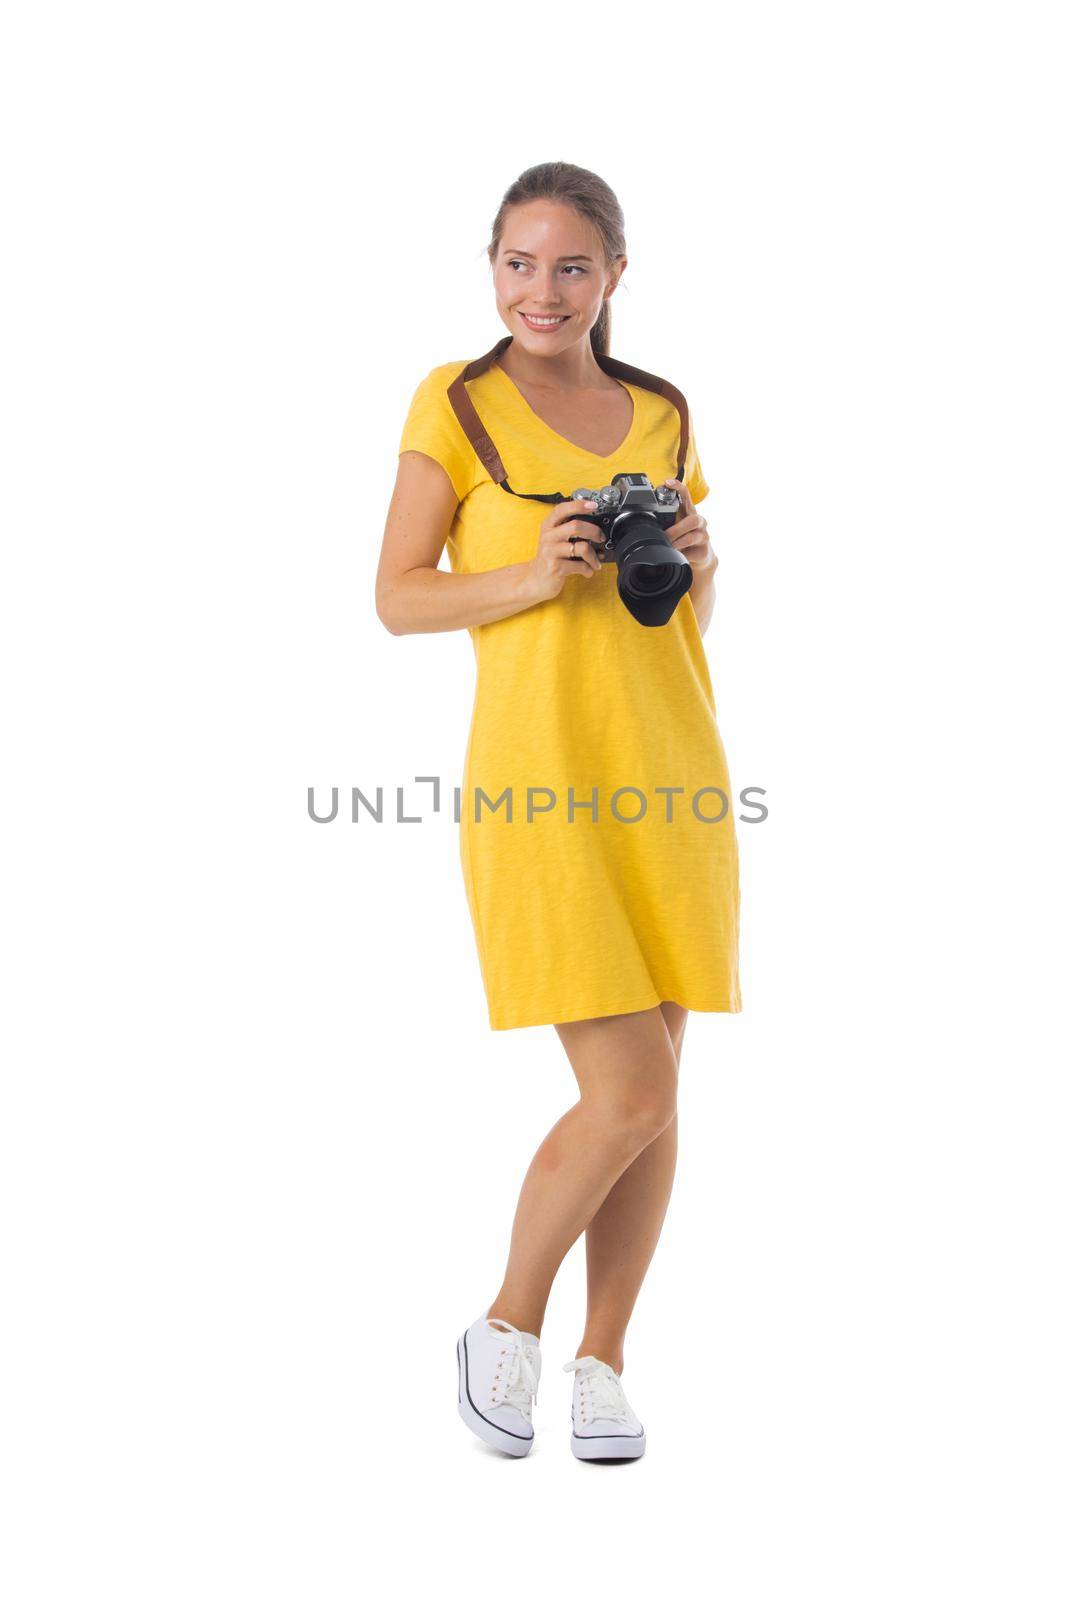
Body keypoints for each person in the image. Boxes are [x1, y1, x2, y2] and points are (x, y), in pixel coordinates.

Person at [375, 161, 741, 1462]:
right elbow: (400, 596)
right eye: (521, 264)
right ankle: (507, 1325)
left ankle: (605, 1362)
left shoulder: (662, 411)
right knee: (628, 1090)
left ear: (615, 276)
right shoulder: (457, 404)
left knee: (660, 1091)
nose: (544, 289)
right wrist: (532, 575)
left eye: (571, 266)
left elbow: (683, 625)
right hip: (540, 782)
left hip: (675, 775)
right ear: (492, 269)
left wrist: (698, 565)